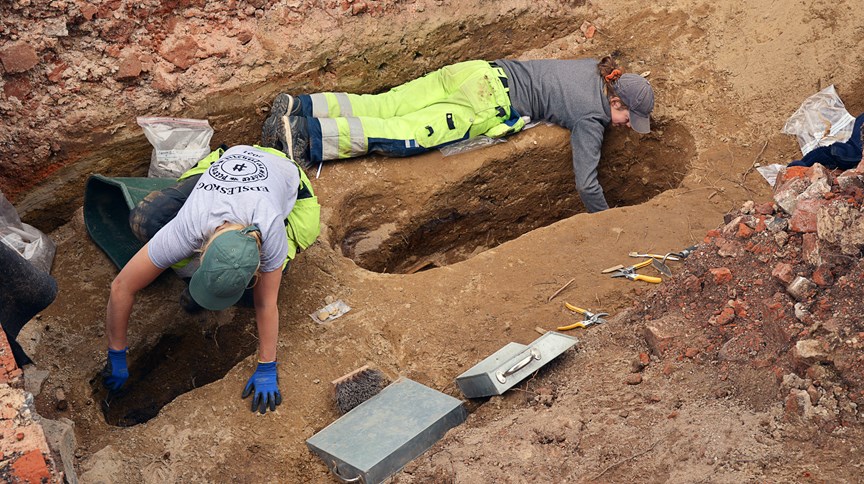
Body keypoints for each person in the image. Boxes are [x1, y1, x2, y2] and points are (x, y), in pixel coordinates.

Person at [261, 56, 654, 213]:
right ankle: (304, 137)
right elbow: (586, 184)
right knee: (402, 134)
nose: (623, 126)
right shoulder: (591, 117)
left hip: (476, 71)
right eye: (626, 118)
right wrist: (607, 221)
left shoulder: (594, 67)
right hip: (484, 103)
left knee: (387, 103)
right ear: (615, 101)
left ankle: (301, 106)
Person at [102, 144, 320, 414]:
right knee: (145, 220)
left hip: (288, 181)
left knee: (253, 297)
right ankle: (200, 281)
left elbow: (267, 304)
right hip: (228, 162)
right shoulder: (189, 225)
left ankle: (215, 285)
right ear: (201, 250)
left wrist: (267, 365)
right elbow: (122, 286)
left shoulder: (271, 227)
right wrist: (117, 352)